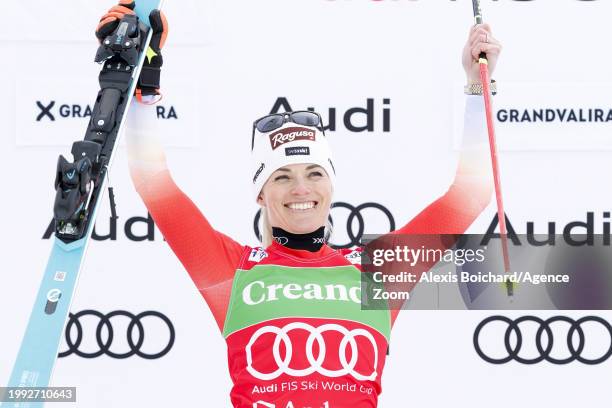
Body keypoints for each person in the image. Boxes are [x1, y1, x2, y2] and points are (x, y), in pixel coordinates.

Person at [97, 2, 501, 407]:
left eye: (314, 173)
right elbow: (153, 182)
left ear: (330, 185)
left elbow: (473, 191)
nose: (300, 189)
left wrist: (477, 84)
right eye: (283, 176)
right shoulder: (232, 271)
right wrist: (142, 83)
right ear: (261, 193)